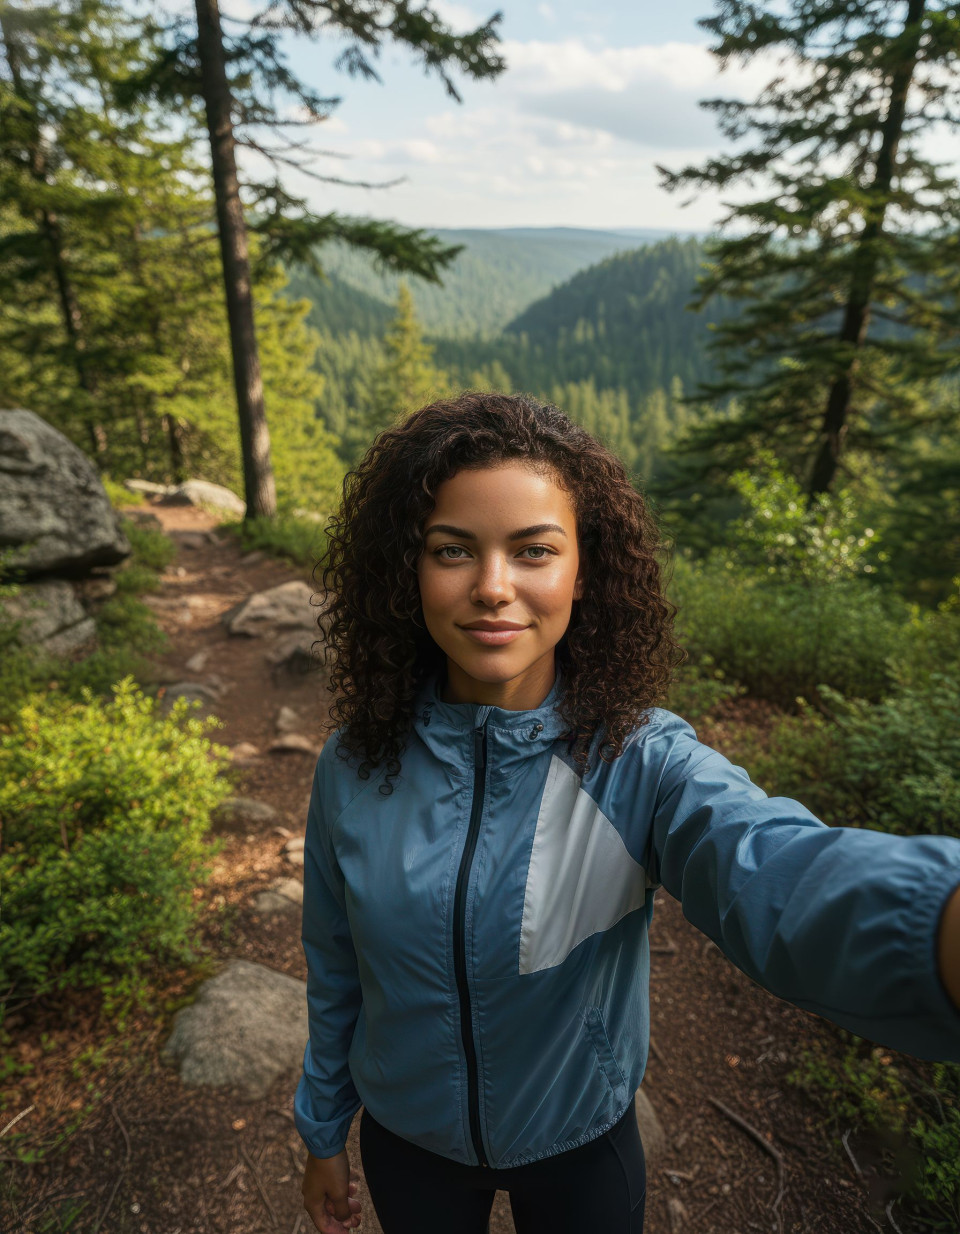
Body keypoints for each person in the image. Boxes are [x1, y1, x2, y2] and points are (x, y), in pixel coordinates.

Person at [294, 392, 960, 1234]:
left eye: (534, 550)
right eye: (452, 549)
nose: (493, 587)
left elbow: (771, 870)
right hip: (406, 1142)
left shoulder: (638, 761)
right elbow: (336, 964)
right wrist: (323, 1128)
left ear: (584, 570)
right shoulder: (355, 766)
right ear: (407, 569)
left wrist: (930, 924)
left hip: (582, 1147)